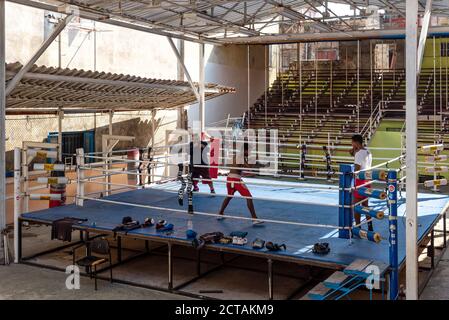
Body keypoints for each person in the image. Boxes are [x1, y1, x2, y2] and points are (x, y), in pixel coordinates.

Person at [218, 142, 263, 225]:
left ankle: (220, 213)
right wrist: (254, 161)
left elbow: (238, 170)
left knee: (229, 196)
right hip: (236, 180)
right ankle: (254, 219)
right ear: (245, 150)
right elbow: (248, 168)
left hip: (230, 178)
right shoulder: (241, 157)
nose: (249, 153)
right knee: (249, 197)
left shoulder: (237, 155)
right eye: (249, 151)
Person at [350, 134, 373, 231]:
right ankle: (370, 226)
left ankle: (358, 226)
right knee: (365, 205)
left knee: (356, 205)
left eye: (352, 143)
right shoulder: (368, 151)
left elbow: (357, 169)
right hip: (368, 180)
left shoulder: (359, 154)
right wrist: (354, 151)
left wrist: (351, 174)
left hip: (360, 181)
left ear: (355, 142)